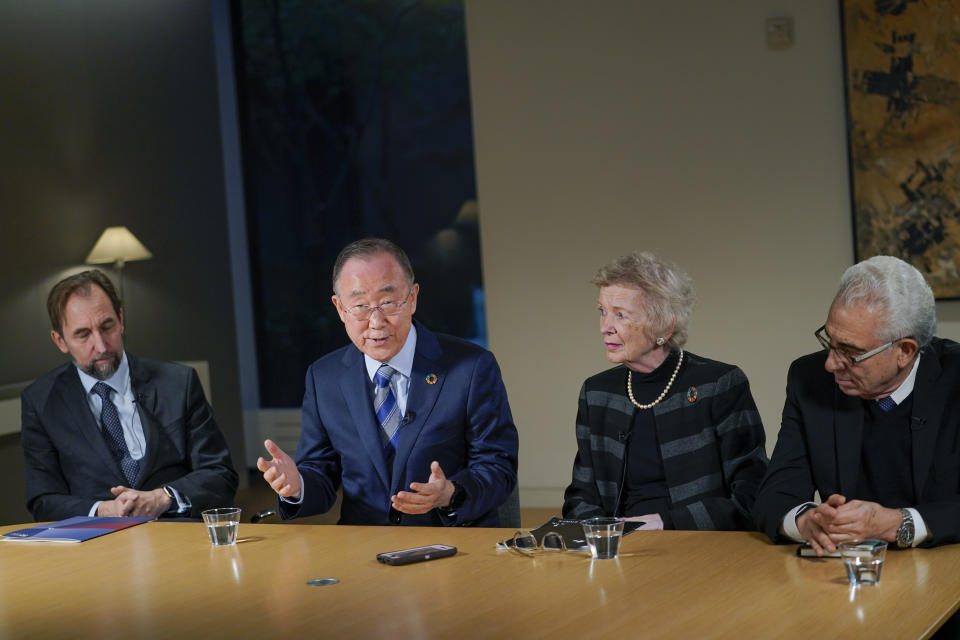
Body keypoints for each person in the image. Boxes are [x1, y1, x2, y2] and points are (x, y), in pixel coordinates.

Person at [257, 238, 518, 526]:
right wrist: (298, 487)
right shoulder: (324, 378)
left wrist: (450, 494)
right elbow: (321, 473)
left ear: (413, 298)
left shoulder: (471, 367)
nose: (376, 321)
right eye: (360, 306)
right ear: (340, 309)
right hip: (365, 550)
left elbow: (498, 466)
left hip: (455, 544)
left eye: (388, 302)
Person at [754, 255, 960, 554]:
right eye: (829, 341)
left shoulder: (955, 381)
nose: (830, 364)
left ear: (904, 351)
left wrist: (897, 523)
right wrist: (806, 521)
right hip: (844, 575)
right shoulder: (809, 380)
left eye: (850, 352)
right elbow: (774, 495)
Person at [562, 252, 768, 530]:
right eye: (602, 311)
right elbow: (580, 496)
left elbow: (752, 494)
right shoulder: (597, 392)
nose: (604, 328)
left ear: (664, 326)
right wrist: (601, 533)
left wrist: (664, 523)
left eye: (620, 315)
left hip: (699, 546)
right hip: (618, 549)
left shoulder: (718, 384)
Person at [21, 270, 238, 521]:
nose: (101, 346)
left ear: (121, 319)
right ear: (60, 340)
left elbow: (220, 474)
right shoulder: (40, 402)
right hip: (97, 548)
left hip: (179, 537)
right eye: (83, 335)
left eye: (107, 326)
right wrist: (105, 510)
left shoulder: (178, 383)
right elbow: (44, 500)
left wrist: (162, 498)